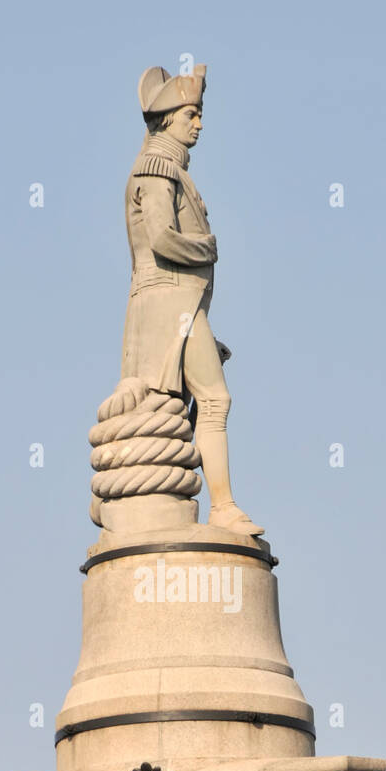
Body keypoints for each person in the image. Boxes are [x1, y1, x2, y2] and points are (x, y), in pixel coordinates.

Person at [121, 64, 263, 537]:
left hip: (178, 306)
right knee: (216, 399)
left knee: (205, 401)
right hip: (170, 306)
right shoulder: (158, 169)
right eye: (190, 114)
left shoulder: (169, 170)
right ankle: (223, 506)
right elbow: (162, 237)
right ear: (167, 119)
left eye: (199, 114)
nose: (198, 123)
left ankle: (214, 499)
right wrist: (208, 247)